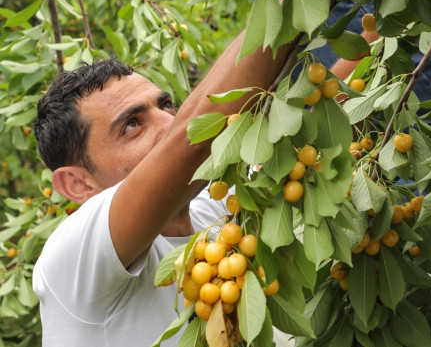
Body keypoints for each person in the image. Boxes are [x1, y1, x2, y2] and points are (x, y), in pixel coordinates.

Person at [31, 30, 294, 346]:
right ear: (78, 183)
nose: (170, 124)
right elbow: (190, 140)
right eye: (132, 125)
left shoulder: (218, 213)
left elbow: (307, 126)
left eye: (167, 106)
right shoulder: (73, 260)